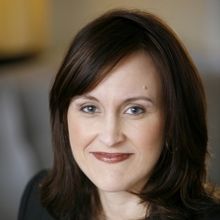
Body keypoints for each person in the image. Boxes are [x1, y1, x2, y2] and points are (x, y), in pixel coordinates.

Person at [18, 9, 220, 220]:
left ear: (174, 120)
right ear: (64, 115)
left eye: (135, 110)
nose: (110, 137)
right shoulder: (38, 200)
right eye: (90, 108)